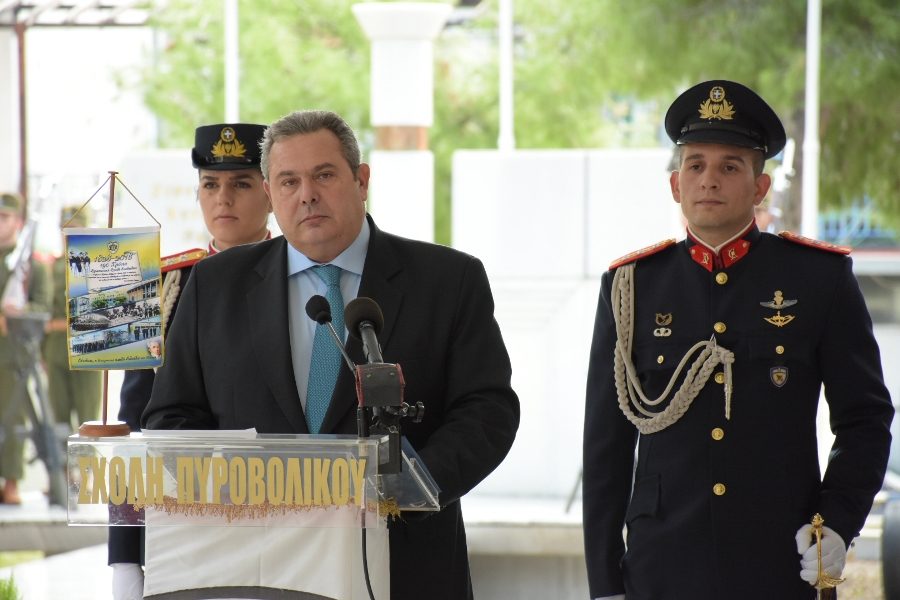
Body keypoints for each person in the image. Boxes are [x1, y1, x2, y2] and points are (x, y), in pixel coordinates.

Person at [140, 109, 520, 600]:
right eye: (289, 181)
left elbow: (487, 410)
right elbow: (171, 417)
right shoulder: (215, 285)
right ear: (271, 194)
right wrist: (235, 488)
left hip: (404, 562)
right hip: (254, 565)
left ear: (361, 181)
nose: (307, 195)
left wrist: (410, 488)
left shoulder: (447, 280)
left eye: (323, 175)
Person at [582, 80, 894, 600]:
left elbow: (865, 418)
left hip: (779, 560)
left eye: (730, 167)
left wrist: (838, 523)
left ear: (760, 187)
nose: (709, 179)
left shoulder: (818, 279)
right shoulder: (631, 286)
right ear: (676, 185)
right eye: (695, 165)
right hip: (662, 566)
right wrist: (605, 584)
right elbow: (605, 448)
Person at [107, 122, 273, 600]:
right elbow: (134, 426)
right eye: (210, 184)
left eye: (241, 184)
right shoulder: (163, 286)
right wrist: (125, 554)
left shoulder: (303, 278)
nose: (223, 199)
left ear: (269, 192)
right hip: (180, 515)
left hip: (283, 511)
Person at [0, 191, 52, 505]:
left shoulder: (33, 265)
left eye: (4, 217)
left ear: (18, 221)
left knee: (12, 418)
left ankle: (11, 481)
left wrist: (16, 315)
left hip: (14, 357)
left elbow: (42, 307)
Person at [42, 207, 102, 434]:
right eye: (65, 230)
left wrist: (57, 325)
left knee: (88, 421)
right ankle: (61, 459)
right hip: (56, 351)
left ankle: (87, 459)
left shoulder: (98, 266)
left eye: (75, 230)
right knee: (58, 420)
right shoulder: (52, 267)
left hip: (89, 349)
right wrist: (43, 353)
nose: (68, 236)